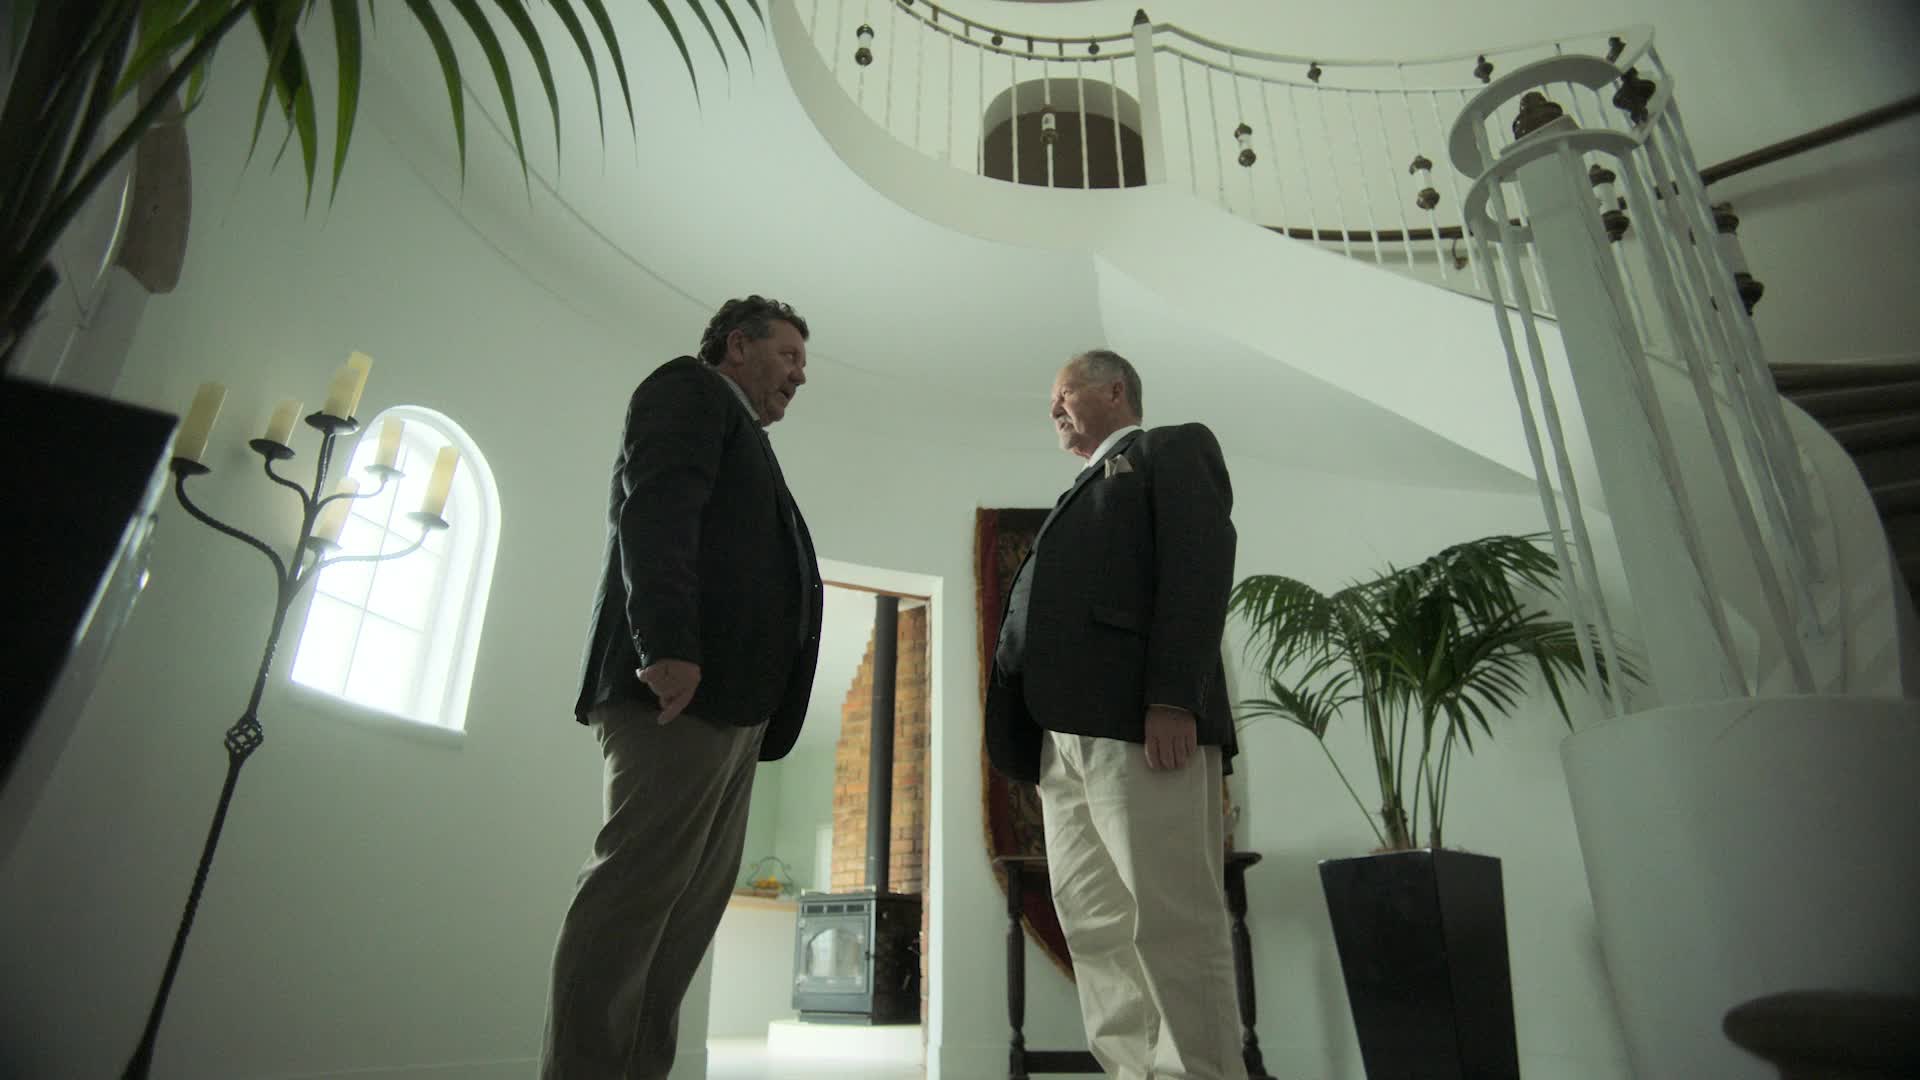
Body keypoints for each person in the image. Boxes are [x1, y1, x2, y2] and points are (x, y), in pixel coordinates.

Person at [542, 296, 824, 1079]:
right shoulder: (689, 389)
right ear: (737, 345)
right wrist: (665, 644)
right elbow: (657, 505)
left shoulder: (746, 436)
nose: (800, 376)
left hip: (733, 710)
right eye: (789, 356)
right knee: (632, 900)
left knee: (684, 916)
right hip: (677, 693)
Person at [985, 349, 1244, 1080]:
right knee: (1094, 924)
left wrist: (1173, 697)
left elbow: (1197, 569)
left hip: (1142, 725)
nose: (1053, 410)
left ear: (1115, 389)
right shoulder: (1079, 491)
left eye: (1064, 394)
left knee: (1173, 920)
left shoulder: (1171, 450)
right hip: (1061, 740)